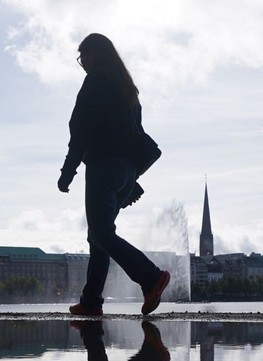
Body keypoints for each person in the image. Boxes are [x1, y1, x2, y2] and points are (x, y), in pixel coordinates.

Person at [59, 33, 170, 317]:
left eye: (83, 55)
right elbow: (136, 136)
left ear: (95, 53)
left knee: (100, 233)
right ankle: (91, 300)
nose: (81, 62)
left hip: (103, 168)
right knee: (99, 236)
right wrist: (130, 180)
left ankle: (150, 277)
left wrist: (68, 171)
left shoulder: (95, 81)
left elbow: (79, 130)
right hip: (126, 172)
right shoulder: (128, 88)